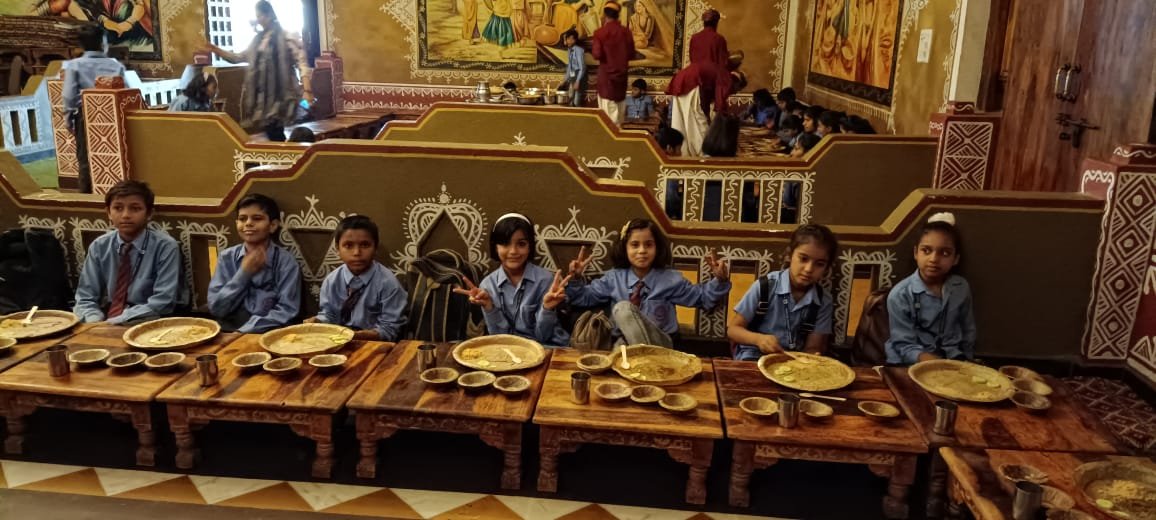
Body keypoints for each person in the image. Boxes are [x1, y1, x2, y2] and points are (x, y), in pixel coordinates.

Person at [565, 219, 730, 348]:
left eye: (648, 245)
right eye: (634, 245)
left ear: (657, 248)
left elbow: (701, 297)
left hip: (660, 346)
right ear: (624, 248)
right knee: (619, 346)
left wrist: (720, 279)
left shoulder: (670, 280)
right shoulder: (614, 278)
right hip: (622, 344)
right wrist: (576, 278)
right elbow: (583, 298)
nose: (642, 251)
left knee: (623, 308)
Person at [455, 213, 571, 346]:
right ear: (495, 247)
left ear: (530, 246)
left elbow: (543, 336)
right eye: (505, 244)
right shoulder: (488, 285)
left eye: (521, 244)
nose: (513, 251)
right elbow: (499, 338)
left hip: (548, 347)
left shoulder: (545, 280)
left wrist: (547, 308)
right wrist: (489, 307)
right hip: (510, 350)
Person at [74, 180, 180, 325]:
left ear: (149, 213)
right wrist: (95, 322)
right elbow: (85, 298)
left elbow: (163, 302)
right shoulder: (99, 246)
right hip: (103, 321)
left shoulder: (165, 247)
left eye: (135, 209)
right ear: (108, 213)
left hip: (146, 322)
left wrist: (115, 322)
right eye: (118, 208)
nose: (125, 215)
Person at [201, 1, 310, 142]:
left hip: (282, 96)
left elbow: (302, 63)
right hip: (264, 100)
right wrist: (215, 49)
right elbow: (237, 58)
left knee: (275, 132)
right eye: (257, 16)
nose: (259, 19)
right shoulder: (258, 41)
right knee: (273, 133)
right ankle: (283, 153)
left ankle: (286, 153)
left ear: (269, 15)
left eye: (260, 16)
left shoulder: (286, 37)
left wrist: (307, 90)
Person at [727, 224, 839, 360]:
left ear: (827, 268)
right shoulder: (765, 286)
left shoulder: (823, 300)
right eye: (803, 259)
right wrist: (758, 339)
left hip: (792, 360)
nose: (809, 269)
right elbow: (733, 330)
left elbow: (813, 347)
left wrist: (812, 356)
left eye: (819, 264)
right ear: (789, 255)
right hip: (753, 355)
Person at [885, 212, 976, 365]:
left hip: (951, 359)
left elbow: (968, 331)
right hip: (908, 363)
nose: (934, 259)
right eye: (926, 250)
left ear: (955, 259)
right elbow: (904, 345)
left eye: (945, 253)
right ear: (916, 253)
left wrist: (967, 363)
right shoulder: (900, 295)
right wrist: (939, 365)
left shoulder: (961, 287)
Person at [208, 194, 301, 333]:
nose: (248, 223)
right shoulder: (226, 258)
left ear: (273, 225)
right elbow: (216, 308)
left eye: (257, 218)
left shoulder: (285, 262)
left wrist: (243, 332)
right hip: (226, 334)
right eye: (242, 219)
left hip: (266, 334)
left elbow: (287, 310)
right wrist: (244, 273)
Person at [308, 215, 407, 341]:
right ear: (338, 249)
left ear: (375, 248)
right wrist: (317, 322)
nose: (356, 253)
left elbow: (389, 330)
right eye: (348, 246)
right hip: (337, 342)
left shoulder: (388, 283)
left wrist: (354, 336)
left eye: (365, 245)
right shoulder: (331, 281)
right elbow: (329, 315)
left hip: (374, 344)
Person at [63, 23, 126, 194]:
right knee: (114, 156)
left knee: (85, 158)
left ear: (81, 45)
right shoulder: (115, 65)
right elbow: (125, 92)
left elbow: (69, 96)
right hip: (113, 116)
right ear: (103, 43)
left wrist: (68, 119)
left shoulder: (74, 66)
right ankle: (114, 192)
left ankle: (87, 196)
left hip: (86, 116)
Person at [591, 2, 635, 124]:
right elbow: (631, 54)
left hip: (606, 79)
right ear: (618, 14)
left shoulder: (600, 33)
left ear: (605, 15)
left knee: (607, 120)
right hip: (621, 79)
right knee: (619, 116)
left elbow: (597, 55)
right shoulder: (626, 32)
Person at [561, 29, 586, 107]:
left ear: (575, 40)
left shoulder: (578, 50)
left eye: (572, 39)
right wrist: (564, 80)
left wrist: (578, 81)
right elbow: (570, 66)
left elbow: (582, 68)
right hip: (573, 75)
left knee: (576, 101)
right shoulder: (569, 50)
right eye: (568, 39)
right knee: (571, 98)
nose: (569, 41)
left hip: (579, 76)